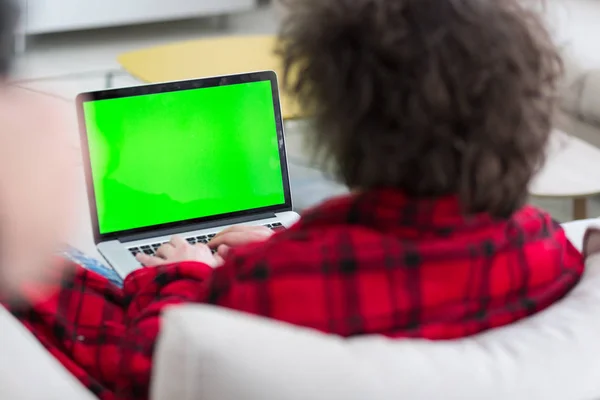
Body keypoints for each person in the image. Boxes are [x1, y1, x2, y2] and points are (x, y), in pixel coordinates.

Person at [2, 0, 585, 399]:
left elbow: (154, 367)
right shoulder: (549, 248)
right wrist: (289, 244)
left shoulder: (266, 288)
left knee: (59, 262)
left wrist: (181, 273)